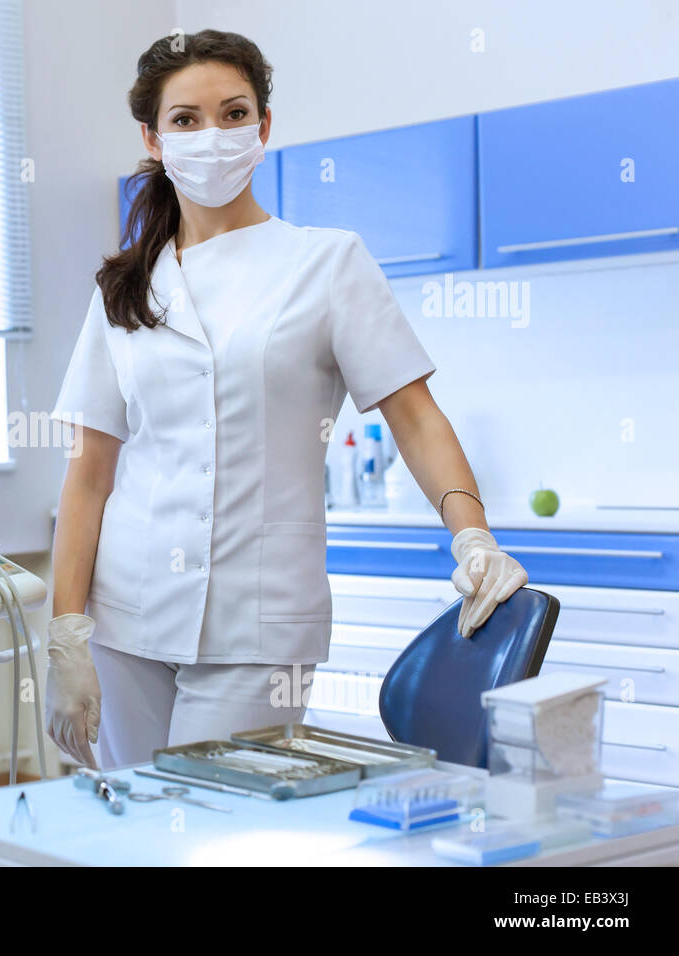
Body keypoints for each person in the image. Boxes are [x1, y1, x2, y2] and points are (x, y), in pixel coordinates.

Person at [45, 29, 528, 770]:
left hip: (260, 628)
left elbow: (416, 417)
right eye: (186, 119)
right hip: (126, 616)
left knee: (222, 829)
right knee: (131, 833)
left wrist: (473, 534)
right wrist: (67, 632)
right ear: (152, 136)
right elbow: (88, 475)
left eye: (234, 113)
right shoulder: (124, 288)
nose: (213, 136)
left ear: (263, 126)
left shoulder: (326, 263)